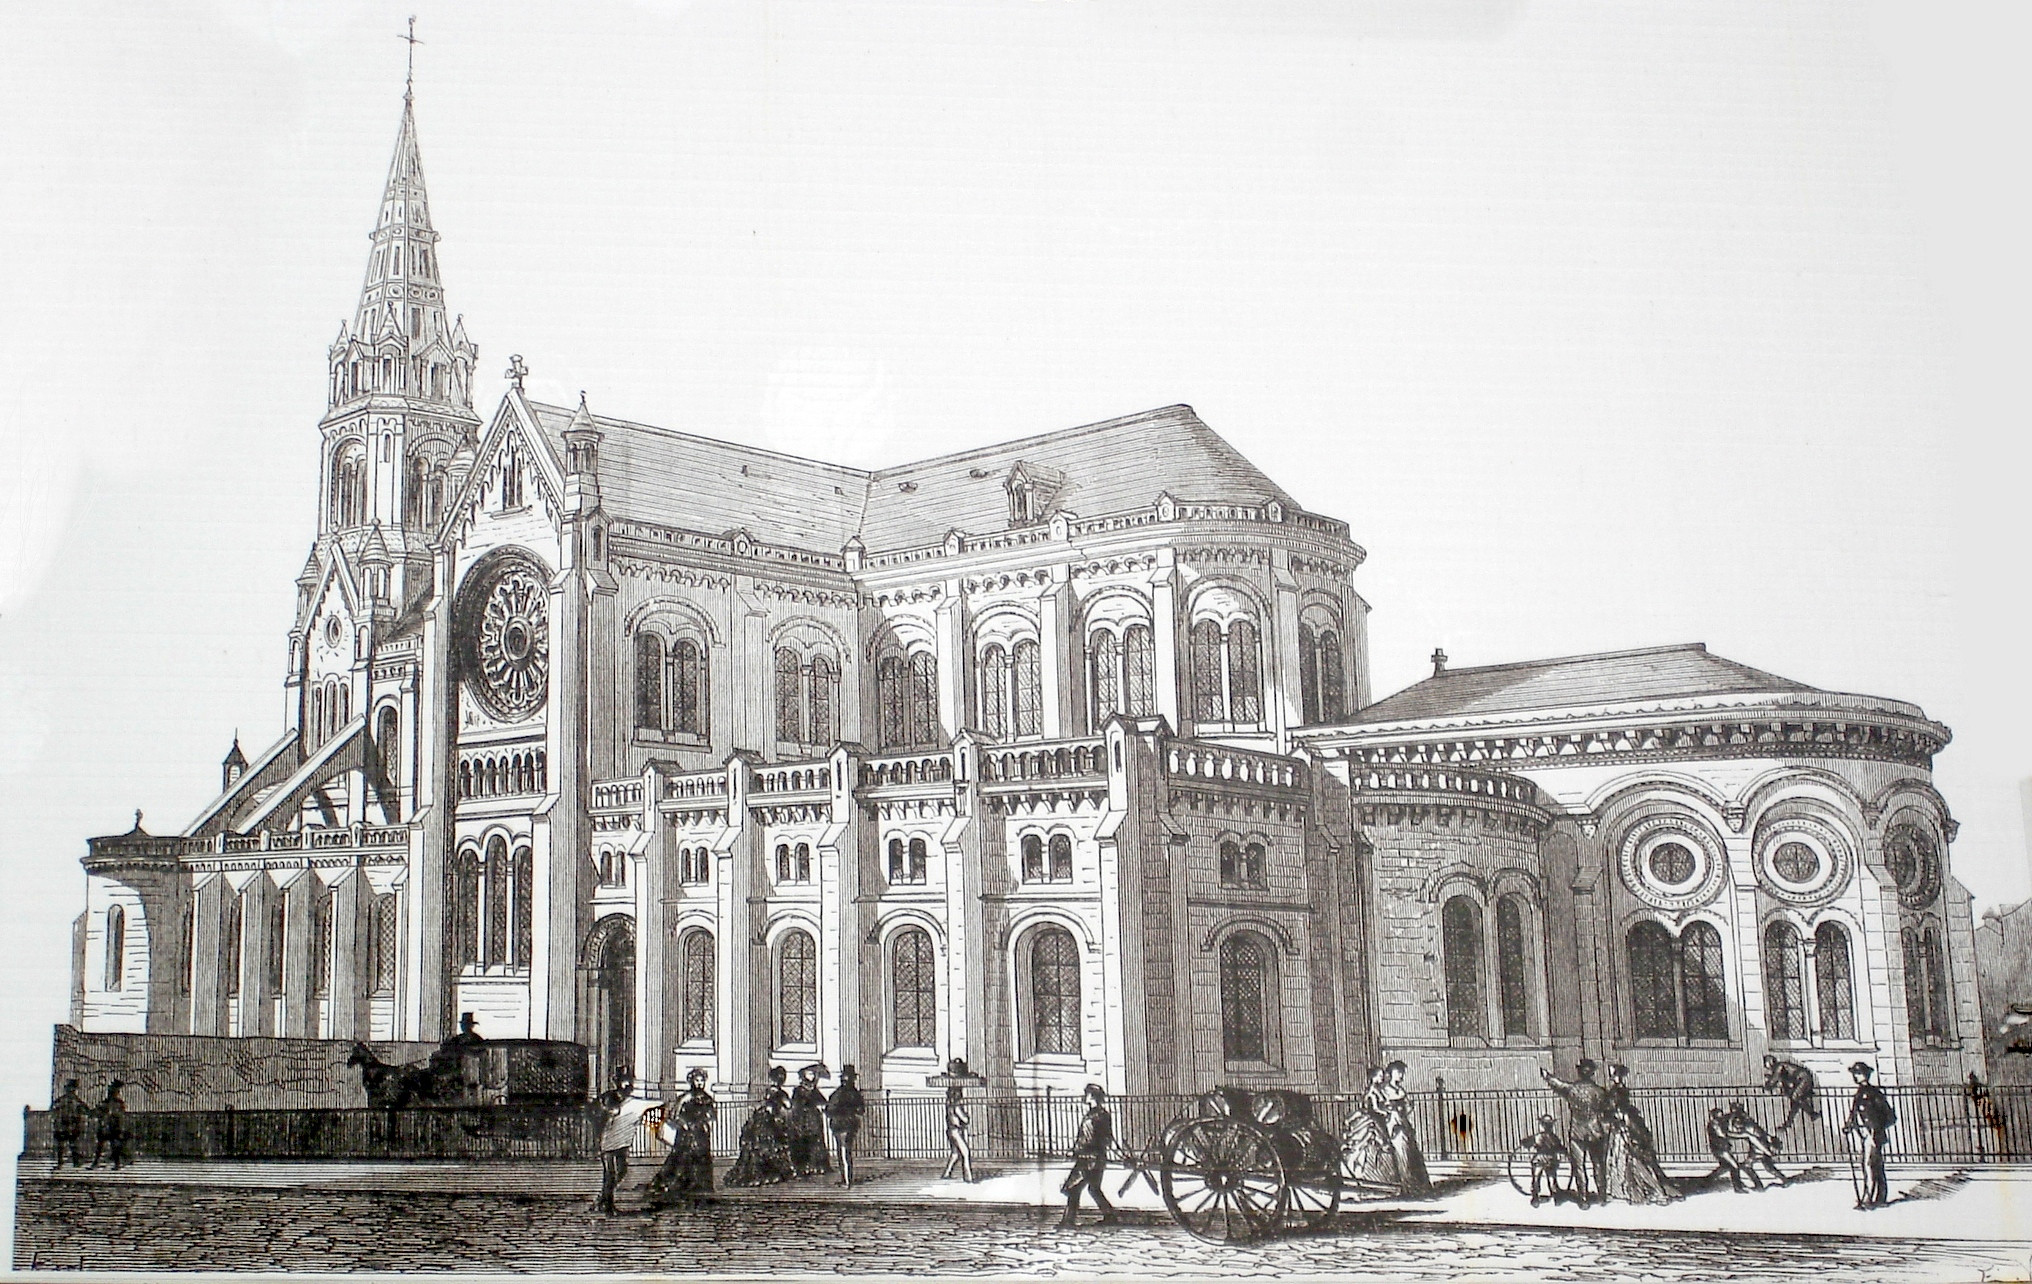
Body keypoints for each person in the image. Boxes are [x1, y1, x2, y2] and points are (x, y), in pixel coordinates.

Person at [1601, 1066, 1675, 1205]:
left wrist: (1615, 1117)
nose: (1613, 1078)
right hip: (1624, 1126)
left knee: (1632, 1159)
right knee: (1625, 1159)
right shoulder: (1620, 1091)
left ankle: (1654, 1191)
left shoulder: (1616, 1092)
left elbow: (1615, 1109)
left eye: (1614, 1075)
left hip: (1624, 1128)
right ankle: (1632, 1190)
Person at [1541, 1059, 1609, 1205]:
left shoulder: (1571, 1089)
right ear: (1592, 1073)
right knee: (1598, 1164)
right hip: (1596, 1132)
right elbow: (1606, 1111)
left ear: (1579, 1072)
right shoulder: (1600, 1091)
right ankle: (1602, 1197)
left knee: (1579, 1166)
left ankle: (1583, 1199)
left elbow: (1557, 1084)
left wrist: (1546, 1075)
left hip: (1577, 1133)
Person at [648, 1068, 717, 1205]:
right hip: (686, 1133)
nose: (699, 1083)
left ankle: (700, 1185)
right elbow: (674, 1115)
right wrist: (683, 1124)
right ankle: (674, 1183)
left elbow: (711, 1114)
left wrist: (707, 1121)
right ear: (691, 1081)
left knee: (701, 1157)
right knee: (681, 1158)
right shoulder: (685, 1098)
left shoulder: (707, 1098)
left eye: (701, 1081)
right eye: (697, 1080)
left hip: (700, 1133)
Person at [592, 1067, 652, 1215]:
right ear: (617, 1082)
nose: (628, 1085)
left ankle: (602, 1200)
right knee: (611, 1173)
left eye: (630, 1081)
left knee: (622, 1170)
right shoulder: (609, 1097)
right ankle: (608, 1205)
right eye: (625, 1081)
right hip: (609, 1141)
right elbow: (603, 1112)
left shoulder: (630, 1099)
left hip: (622, 1142)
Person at [1059, 1083, 1119, 1228]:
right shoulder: (1104, 1114)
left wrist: (1075, 1150)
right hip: (1098, 1158)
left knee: (1072, 1188)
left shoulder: (1092, 1117)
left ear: (1091, 1096)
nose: (1084, 1096)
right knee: (1094, 1188)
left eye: (1086, 1094)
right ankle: (1109, 1215)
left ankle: (1068, 1221)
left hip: (1088, 1159)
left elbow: (1087, 1139)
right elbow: (1107, 1138)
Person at [725, 1068, 794, 1187]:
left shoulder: (772, 1092)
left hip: (767, 1120)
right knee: (767, 1147)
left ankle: (767, 1173)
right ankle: (766, 1174)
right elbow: (787, 1104)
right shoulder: (778, 1093)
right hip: (769, 1122)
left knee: (764, 1147)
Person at [1374, 1060, 1431, 1197]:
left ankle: (1416, 1185)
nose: (1400, 1075)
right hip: (1391, 1124)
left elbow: (1407, 1107)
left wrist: (1406, 1108)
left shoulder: (1400, 1091)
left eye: (1402, 1072)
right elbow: (1380, 1107)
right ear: (1390, 1073)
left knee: (1411, 1152)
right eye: (1398, 1072)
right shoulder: (1384, 1090)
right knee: (1401, 1152)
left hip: (1402, 1122)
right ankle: (1404, 1185)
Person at [1844, 1061, 1896, 1209]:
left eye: (1858, 1074)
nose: (1855, 1076)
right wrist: (1849, 1126)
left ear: (1865, 1075)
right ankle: (1879, 1198)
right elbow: (1854, 1113)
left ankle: (1869, 1199)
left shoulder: (1873, 1093)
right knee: (1874, 1166)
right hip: (1866, 1135)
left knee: (1870, 1166)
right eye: (1854, 1074)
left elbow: (1888, 1116)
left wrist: (1875, 1130)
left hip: (1873, 1135)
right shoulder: (1860, 1093)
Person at [1339, 1066, 1398, 1192]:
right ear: (1373, 1077)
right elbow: (1374, 1108)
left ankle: (1368, 1178)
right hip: (1370, 1122)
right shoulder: (1371, 1091)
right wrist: (1386, 1112)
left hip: (1375, 1121)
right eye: (1380, 1075)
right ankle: (1351, 1177)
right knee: (1360, 1150)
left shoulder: (1377, 1090)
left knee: (1365, 1152)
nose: (1382, 1077)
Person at [1723, 1100, 1787, 1188]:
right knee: (1768, 1166)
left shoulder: (1742, 1122)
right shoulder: (1747, 1119)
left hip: (1758, 1146)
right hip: (1760, 1145)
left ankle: (1759, 1186)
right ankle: (1784, 1180)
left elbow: (1752, 1138)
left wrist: (1767, 1151)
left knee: (1747, 1165)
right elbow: (1762, 1133)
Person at [826, 1064, 867, 1187]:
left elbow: (829, 1110)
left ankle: (846, 1181)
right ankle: (848, 1178)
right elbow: (861, 1110)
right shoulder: (856, 1093)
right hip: (852, 1124)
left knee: (842, 1152)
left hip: (840, 1125)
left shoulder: (838, 1093)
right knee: (847, 1151)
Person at [787, 1064, 831, 1178]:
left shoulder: (814, 1089)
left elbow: (823, 1101)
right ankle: (802, 1168)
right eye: (809, 1074)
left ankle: (817, 1166)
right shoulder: (798, 1090)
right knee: (802, 1142)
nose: (811, 1076)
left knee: (816, 1141)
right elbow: (796, 1103)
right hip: (801, 1118)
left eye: (813, 1074)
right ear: (803, 1075)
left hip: (813, 1119)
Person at [1763, 1054, 1820, 1131]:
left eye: (1766, 1063)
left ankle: (1812, 1113)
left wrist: (1767, 1086)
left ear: (1769, 1062)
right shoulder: (1782, 1067)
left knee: (1795, 1097)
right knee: (1796, 1103)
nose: (1766, 1067)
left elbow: (1774, 1080)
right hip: (1802, 1078)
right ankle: (1788, 1123)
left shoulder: (1779, 1066)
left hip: (1803, 1078)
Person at [1706, 1106, 1757, 1192]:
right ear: (1715, 1115)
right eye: (1720, 1115)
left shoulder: (1718, 1123)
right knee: (1735, 1166)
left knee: (1725, 1167)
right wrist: (1742, 1135)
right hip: (1721, 1149)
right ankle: (1738, 1188)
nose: (1722, 1116)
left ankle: (1707, 1180)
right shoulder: (1714, 1124)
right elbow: (1725, 1134)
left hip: (1722, 1148)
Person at [1524, 1114, 1568, 1207]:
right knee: (1551, 1178)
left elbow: (1525, 1143)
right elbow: (1560, 1148)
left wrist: (1529, 1144)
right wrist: (1566, 1152)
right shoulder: (1554, 1137)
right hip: (1550, 1160)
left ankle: (1535, 1197)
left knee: (1536, 1178)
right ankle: (1556, 1197)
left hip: (1539, 1159)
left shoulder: (1537, 1136)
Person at [90, 1080, 128, 1171]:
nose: (110, 1093)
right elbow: (98, 1112)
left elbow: (120, 1116)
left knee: (113, 1147)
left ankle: (116, 1163)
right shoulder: (107, 1102)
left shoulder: (118, 1103)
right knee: (101, 1146)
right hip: (106, 1127)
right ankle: (97, 1162)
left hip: (112, 1127)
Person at [51, 1080, 89, 1171]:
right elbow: (53, 1108)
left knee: (73, 1145)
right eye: (69, 1089)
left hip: (72, 1125)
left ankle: (76, 1162)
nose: (70, 1091)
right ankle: (61, 1162)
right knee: (61, 1146)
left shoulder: (77, 1101)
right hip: (63, 1126)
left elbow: (85, 1110)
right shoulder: (62, 1100)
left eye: (72, 1089)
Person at [941, 1084, 975, 1183]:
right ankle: (968, 1177)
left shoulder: (949, 1106)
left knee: (955, 1154)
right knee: (965, 1152)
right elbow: (964, 1119)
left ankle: (947, 1173)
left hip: (950, 1131)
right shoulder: (956, 1106)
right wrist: (967, 1116)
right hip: (956, 1132)